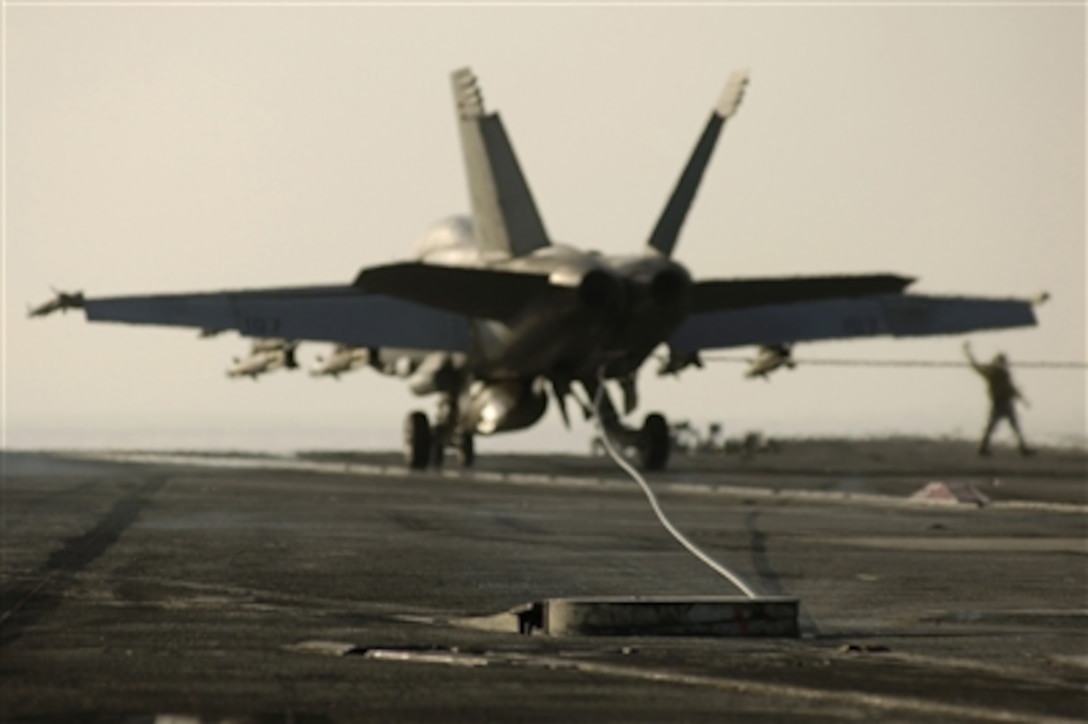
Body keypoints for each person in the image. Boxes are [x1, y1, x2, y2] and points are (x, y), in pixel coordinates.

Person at [963, 342, 1034, 456]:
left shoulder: (1003, 373)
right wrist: (968, 352)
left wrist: (1023, 400)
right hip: (999, 403)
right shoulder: (993, 372)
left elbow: (1011, 388)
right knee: (995, 427)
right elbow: (976, 366)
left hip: (1005, 402)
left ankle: (1022, 448)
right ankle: (984, 448)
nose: (1003, 364)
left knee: (1011, 426)